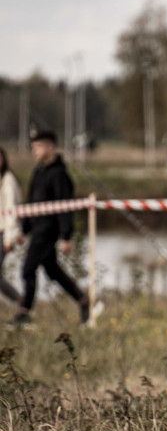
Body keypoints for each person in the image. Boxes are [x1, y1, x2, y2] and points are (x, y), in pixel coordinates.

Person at [8, 130, 97, 328]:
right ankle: (84, 301)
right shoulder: (38, 171)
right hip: (37, 228)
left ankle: (25, 314)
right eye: (33, 148)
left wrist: (66, 236)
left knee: (27, 269)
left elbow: (66, 208)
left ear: (51, 147)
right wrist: (24, 229)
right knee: (53, 271)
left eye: (38, 147)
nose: (35, 152)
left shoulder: (59, 174)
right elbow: (33, 204)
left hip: (49, 230)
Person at [0, 146, 23, 305]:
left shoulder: (8, 180)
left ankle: (22, 302)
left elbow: (11, 211)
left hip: (3, 233)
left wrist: (9, 238)